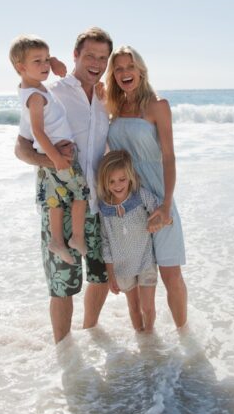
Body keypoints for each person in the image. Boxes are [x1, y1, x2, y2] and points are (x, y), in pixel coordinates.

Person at [14, 27, 114, 343]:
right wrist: (53, 161)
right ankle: (64, 353)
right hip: (60, 204)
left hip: (98, 203)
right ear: (75, 55)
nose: (96, 63)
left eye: (103, 58)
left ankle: (90, 336)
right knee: (62, 286)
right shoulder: (50, 92)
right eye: (90, 56)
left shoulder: (105, 99)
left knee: (101, 276)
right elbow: (21, 148)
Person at [105, 45, 188, 329]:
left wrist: (165, 205)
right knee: (136, 277)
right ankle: (146, 343)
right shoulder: (114, 108)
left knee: (170, 274)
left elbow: (169, 156)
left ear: (141, 70)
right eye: (118, 69)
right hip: (128, 202)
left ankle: (185, 336)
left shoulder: (157, 105)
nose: (125, 73)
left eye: (130, 67)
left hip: (158, 197)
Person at [11, 34, 88, 264]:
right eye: (38, 61)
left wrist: (52, 62)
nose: (45, 65)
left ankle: (56, 241)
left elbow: (42, 64)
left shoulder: (32, 86)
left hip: (53, 153)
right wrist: (56, 158)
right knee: (81, 193)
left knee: (56, 199)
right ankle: (77, 237)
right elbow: (37, 131)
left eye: (46, 58)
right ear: (21, 67)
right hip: (57, 154)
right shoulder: (35, 96)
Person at [97, 150, 162, 333]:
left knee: (147, 307)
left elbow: (160, 210)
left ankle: (150, 337)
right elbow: (105, 242)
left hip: (145, 260)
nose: (118, 185)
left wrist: (156, 221)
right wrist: (111, 275)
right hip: (122, 267)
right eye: (111, 181)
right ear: (104, 182)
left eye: (122, 179)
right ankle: (140, 337)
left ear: (130, 177)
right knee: (133, 307)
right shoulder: (104, 208)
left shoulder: (140, 196)